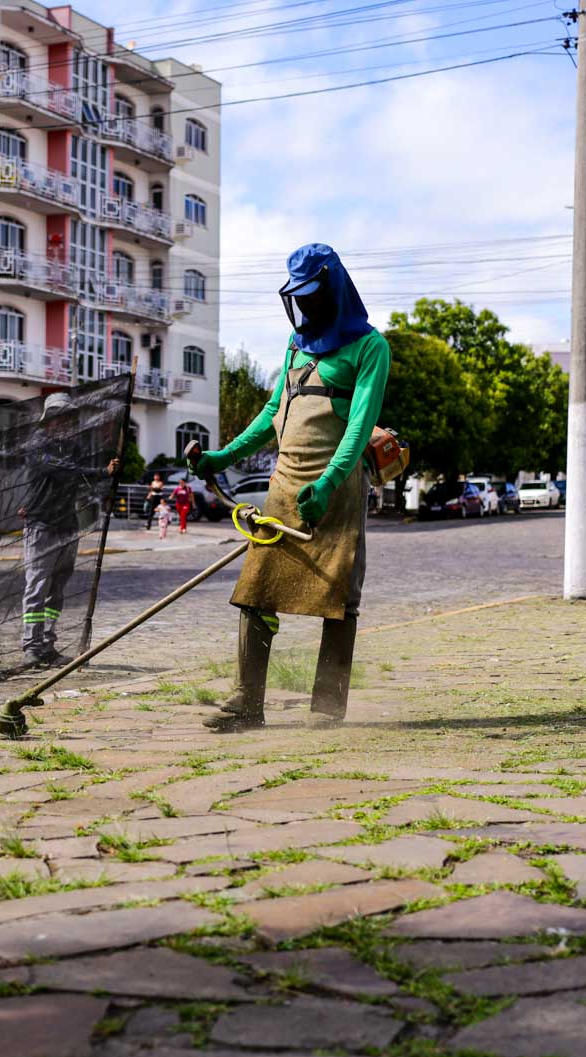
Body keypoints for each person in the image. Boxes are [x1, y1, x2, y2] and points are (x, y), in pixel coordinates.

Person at [189, 243, 389, 731]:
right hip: (283, 487)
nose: (305, 304)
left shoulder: (370, 347)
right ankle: (245, 703)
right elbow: (269, 416)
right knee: (255, 591)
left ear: (333, 289)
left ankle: (326, 708)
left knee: (338, 598)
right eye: (298, 295)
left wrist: (328, 483)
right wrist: (220, 457)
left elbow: (360, 427)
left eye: (312, 294)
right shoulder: (295, 343)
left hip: (336, 492)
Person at [18, 392, 119, 669]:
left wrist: (108, 474)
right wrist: (100, 471)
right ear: (49, 419)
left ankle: (48, 644)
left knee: (57, 589)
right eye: (59, 417)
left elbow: (79, 476)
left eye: (68, 418)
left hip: (66, 525)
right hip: (41, 525)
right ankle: (32, 646)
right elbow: (64, 471)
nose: (64, 423)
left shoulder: (72, 448)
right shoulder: (37, 444)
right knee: (37, 586)